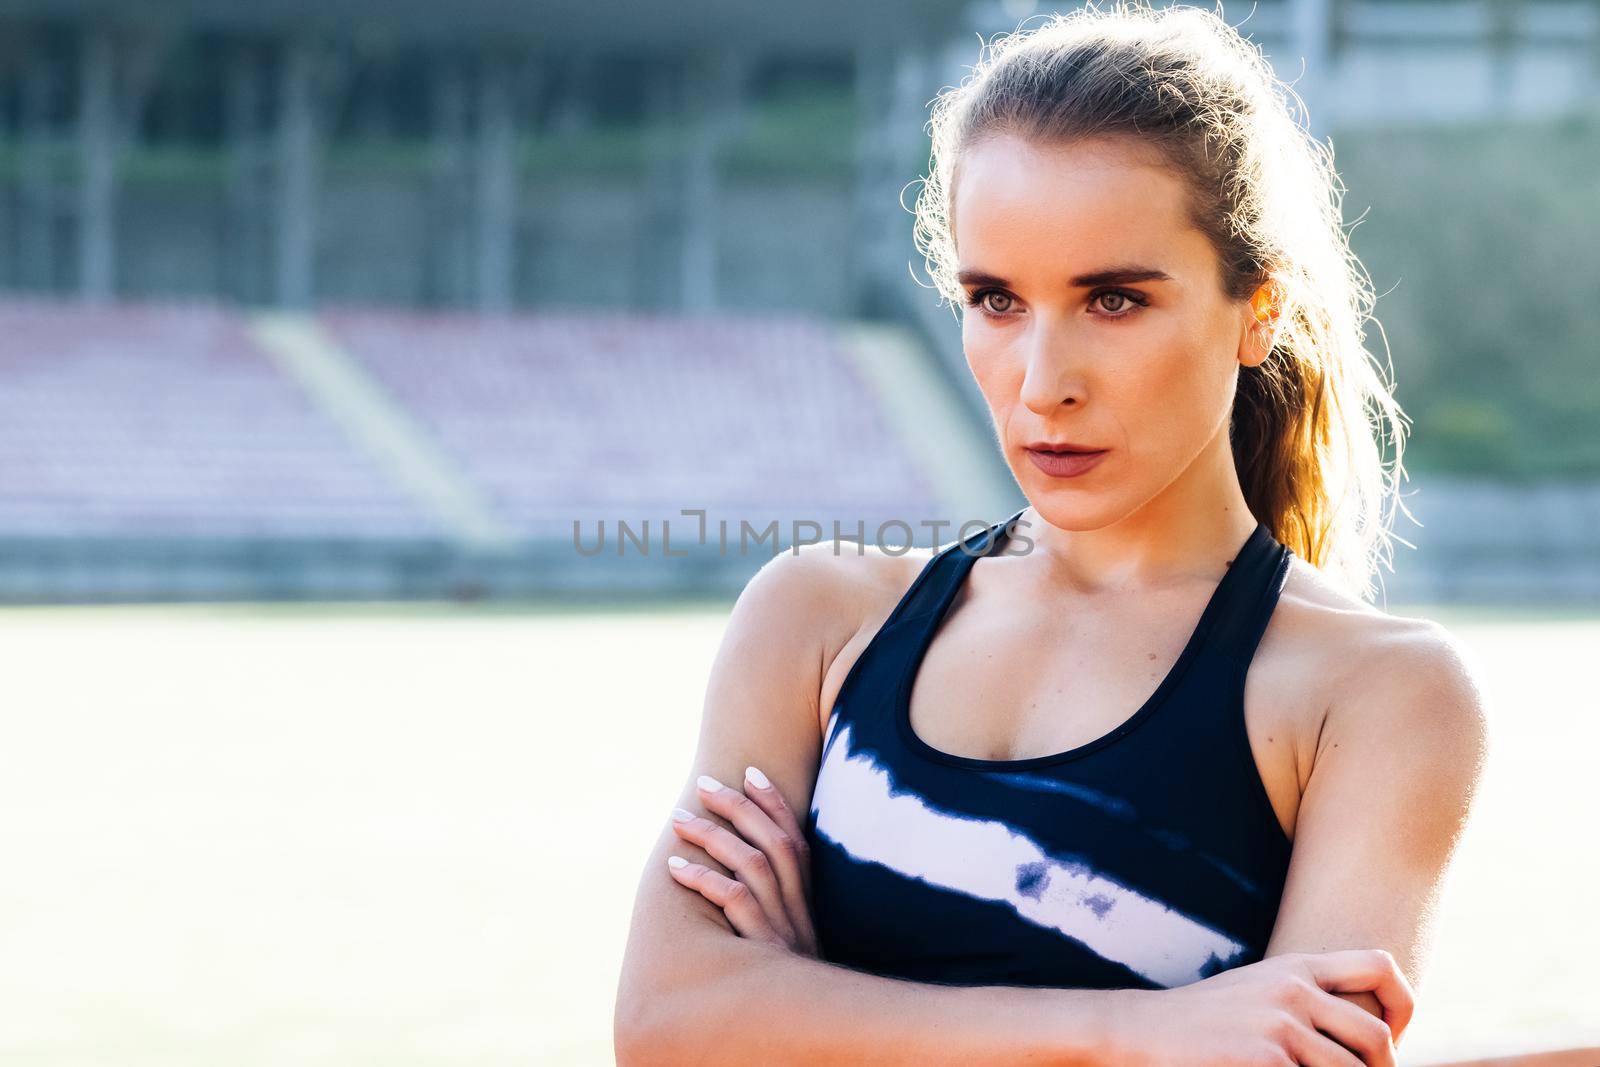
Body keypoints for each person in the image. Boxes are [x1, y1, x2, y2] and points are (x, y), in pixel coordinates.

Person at [614, 4, 1489, 1064]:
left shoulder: (1376, 693)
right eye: (995, 299)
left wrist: (805, 1000)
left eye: (1113, 300)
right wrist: (1136, 1027)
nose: (1041, 384)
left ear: (1257, 309)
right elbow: (665, 1024)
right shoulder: (816, 618)